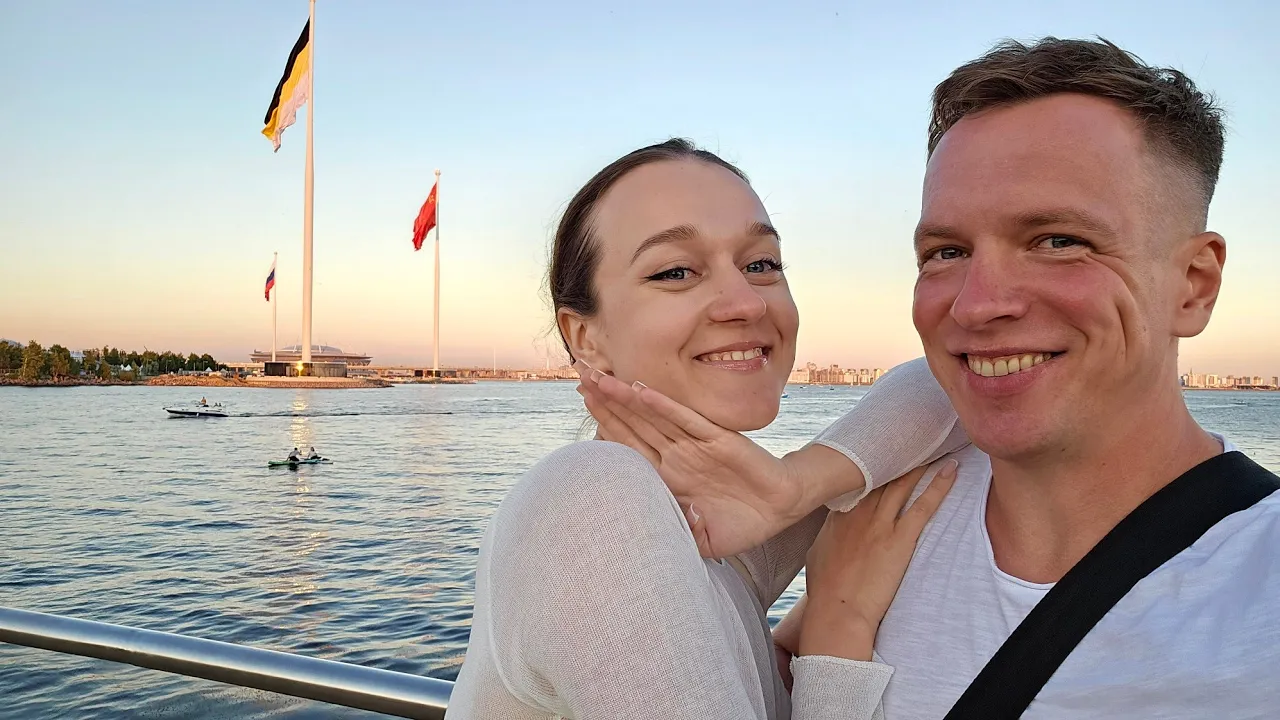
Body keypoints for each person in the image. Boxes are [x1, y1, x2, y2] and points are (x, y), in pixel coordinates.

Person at [579, 37, 1280, 718]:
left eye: (1059, 241)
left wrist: (812, 527)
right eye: (947, 251)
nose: (976, 305)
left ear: (1193, 285)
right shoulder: (893, 506)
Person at [446, 139, 970, 720]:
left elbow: (952, 384)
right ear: (584, 338)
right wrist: (837, 632)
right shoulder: (593, 501)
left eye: (761, 264)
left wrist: (798, 483)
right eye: (675, 271)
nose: (745, 303)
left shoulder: (714, 525)